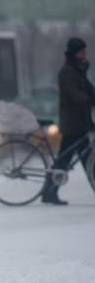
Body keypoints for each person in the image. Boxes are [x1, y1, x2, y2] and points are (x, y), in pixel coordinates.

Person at [42, 37, 95, 205]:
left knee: (74, 160)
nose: (84, 53)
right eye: (81, 51)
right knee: (81, 160)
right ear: (74, 52)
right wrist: (87, 100)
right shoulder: (67, 71)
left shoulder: (78, 69)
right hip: (73, 123)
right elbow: (73, 93)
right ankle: (48, 192)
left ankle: (49, 192)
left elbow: (88, 89)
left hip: (80, 122)